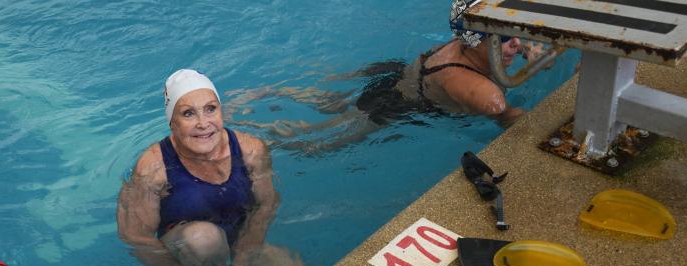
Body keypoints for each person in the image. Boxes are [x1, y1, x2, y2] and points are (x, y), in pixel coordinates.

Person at [117, 69, 314, 266]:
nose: (203, 123)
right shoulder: (153, 168)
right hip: (187, 247)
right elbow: (135, 237)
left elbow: (266, 203)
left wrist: (244, 258)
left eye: (210, 109)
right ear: (172, 123)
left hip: (237, 237)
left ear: (221, 111)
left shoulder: (251, 150)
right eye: (188, 114)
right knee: (204, 238)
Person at [226, 0, 547, 153]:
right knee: (319, 142)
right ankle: (257, 137)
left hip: (400, 74)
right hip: (397, 105)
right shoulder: (484, 94)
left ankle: (273, 91)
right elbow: (507, 116)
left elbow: (490, 42)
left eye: (514, 34)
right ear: (479, 43)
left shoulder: (465, 42)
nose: (516, 43)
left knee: (333, 103)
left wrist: (519, 50)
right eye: (504, 39)